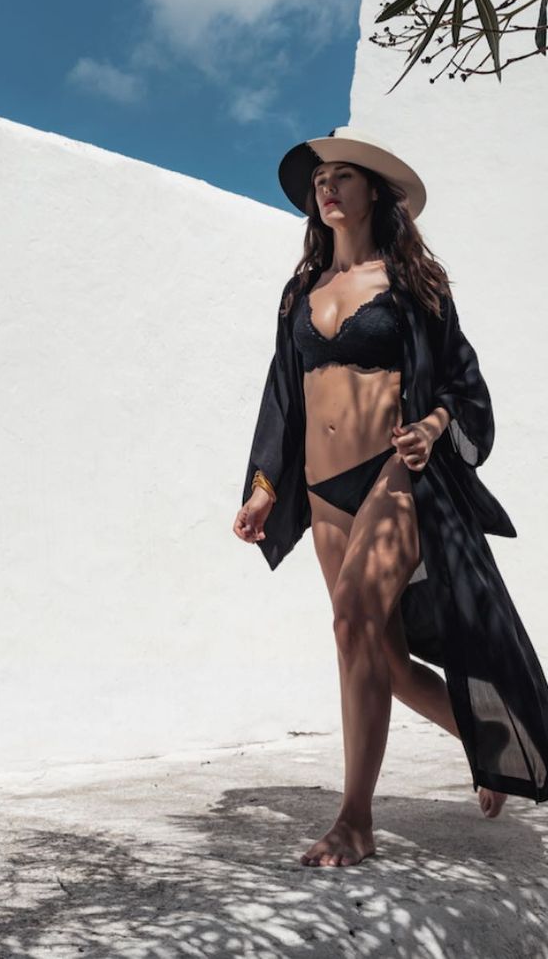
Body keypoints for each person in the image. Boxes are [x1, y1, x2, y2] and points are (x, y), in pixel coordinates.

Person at [236, 127, 548, 868]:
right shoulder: (300, 293)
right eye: (321, 180)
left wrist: (434, 427)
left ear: (375, 191)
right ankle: (494, 745)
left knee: (350, 622)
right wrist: (263, 486)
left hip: (392, 476)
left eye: (343, 176)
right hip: (323, 492)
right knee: (384, 656)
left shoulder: (413, 287)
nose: (327, 188)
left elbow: (464, 385)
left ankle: (355, 820)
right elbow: (282, 395)